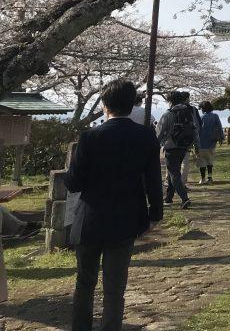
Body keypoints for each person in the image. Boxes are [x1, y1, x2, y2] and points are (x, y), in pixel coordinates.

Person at [66, 78, 163, 331]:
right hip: (126, 219)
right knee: (115, 287)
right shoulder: (146, 137)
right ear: (132, 105)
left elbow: (73, 184)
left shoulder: (90, 137)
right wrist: (155, 213)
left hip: (90, 219)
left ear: (104, 104)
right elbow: (153, 179)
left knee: (84, 283)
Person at [156, 91, 200, 209]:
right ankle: (168, 199)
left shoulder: (168, 114)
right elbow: (195, 130)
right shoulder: (189, 113)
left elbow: (159, 132)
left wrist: (155, 145)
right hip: (184, 146)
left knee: (174, 173)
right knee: (173, 172)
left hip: (171, 147)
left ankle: (184, 198)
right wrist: (197, 146)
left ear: (170, 101)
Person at [197, 101, 224, 185]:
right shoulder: (215, 116)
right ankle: (210, 178)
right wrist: (221, 138)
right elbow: (220, 127)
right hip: (212, 142)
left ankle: (202, 178)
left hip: (201, 142)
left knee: (202, 161)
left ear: (203, 109)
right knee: (210, 160)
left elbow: (197, 130)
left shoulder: (201, 117)